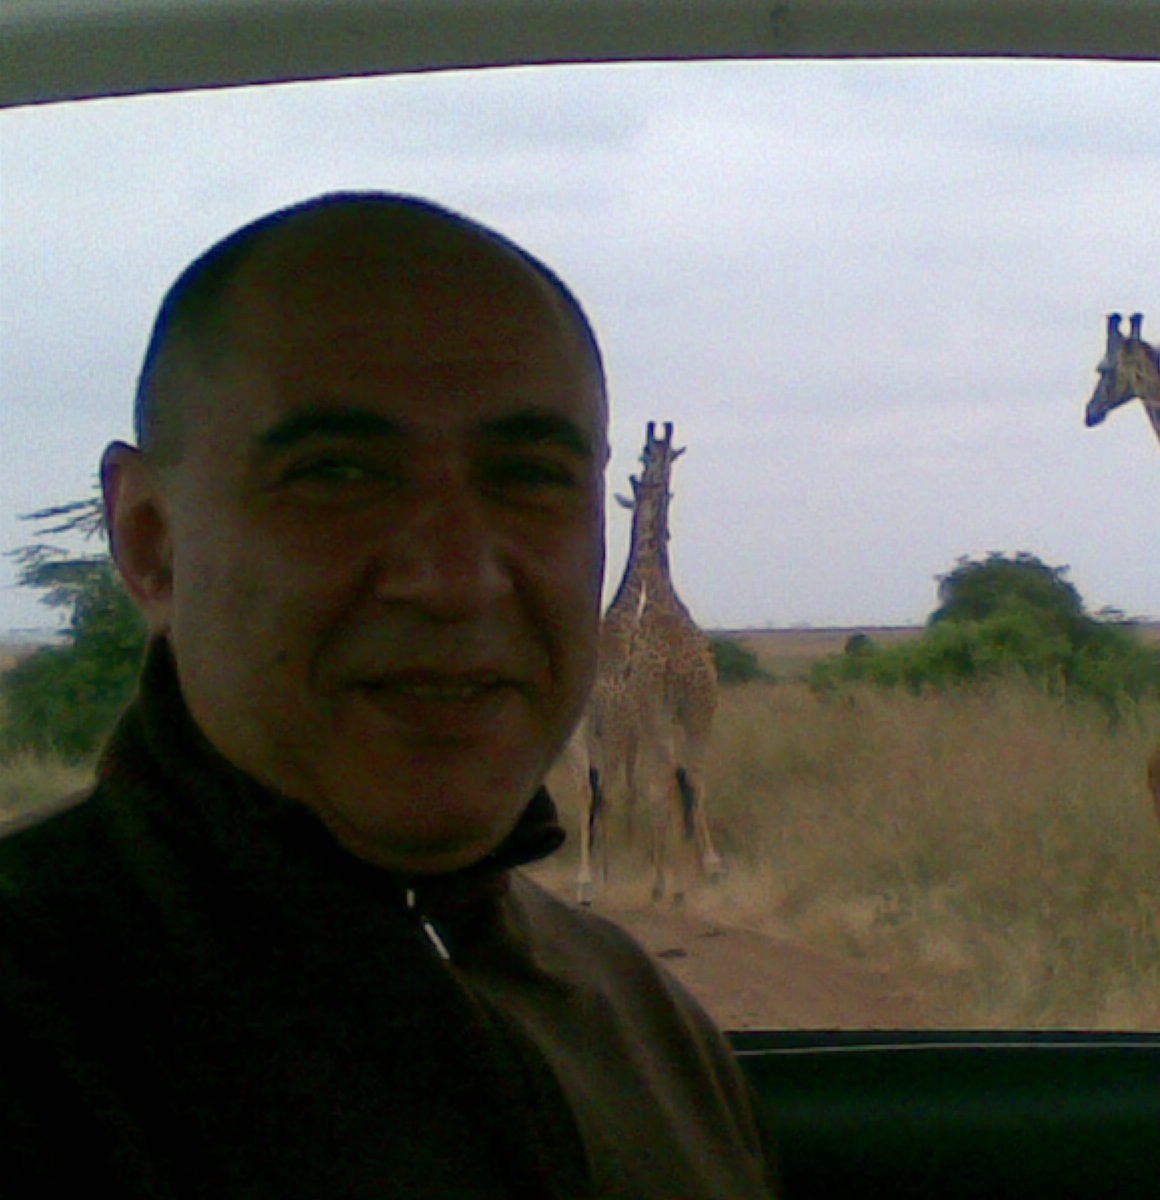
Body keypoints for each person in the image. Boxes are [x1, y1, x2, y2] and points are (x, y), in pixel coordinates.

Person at [0, 192, 781, 1199]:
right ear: (151, 541)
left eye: (530, 476)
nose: (456, 579)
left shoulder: (646, 1020)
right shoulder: (39, 1029)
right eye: (337, 473)